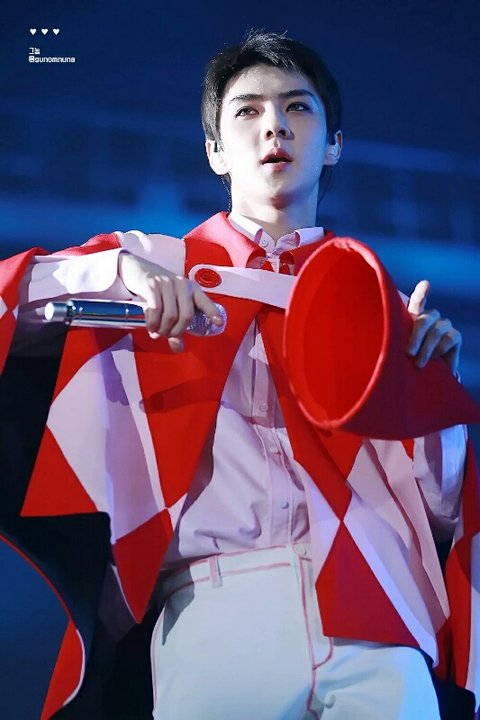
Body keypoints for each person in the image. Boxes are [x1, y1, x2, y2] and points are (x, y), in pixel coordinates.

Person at [0, 30, 477, 720]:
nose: (274, 125)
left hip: (380, 613)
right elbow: (11, 298)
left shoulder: (382, 308)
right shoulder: (157, 264)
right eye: (247, 110)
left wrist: (434, 400)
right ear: (215, 151)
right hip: (216, 607)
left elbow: (442, 512)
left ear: (333, 144)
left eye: (297, 107)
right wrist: (118, 272)